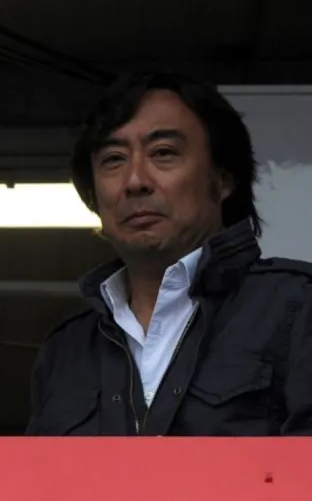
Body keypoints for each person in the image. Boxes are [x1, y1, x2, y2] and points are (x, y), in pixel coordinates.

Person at [26, 71, 312, 436]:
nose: (135, 181)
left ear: (223, 178)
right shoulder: (66, 348)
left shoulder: (297, 307)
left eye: (163, 153)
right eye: (113, 160)